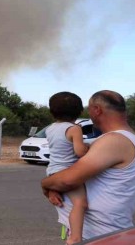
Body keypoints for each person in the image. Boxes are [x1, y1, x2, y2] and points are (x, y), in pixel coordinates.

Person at [41, 90, 135, 241]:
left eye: (89, 109)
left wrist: (46, 184)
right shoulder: (113, 140)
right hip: (97, 234)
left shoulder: (114, 141)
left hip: (99, 236)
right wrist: (54, 186)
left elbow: (67, 180)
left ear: (97, 110)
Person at [44, 92, 89, 245]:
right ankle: (75, 238)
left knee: (62, 195)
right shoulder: (74, 128)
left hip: (53, 171)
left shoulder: (49, 129)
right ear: (79, 111)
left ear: (52, 111)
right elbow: (79, 152)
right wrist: (88, 146)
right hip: (67, 173)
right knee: (80, 204)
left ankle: (54, 190)